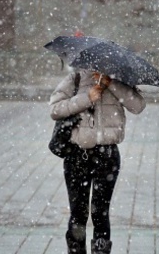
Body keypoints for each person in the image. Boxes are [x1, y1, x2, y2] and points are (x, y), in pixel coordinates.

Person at [49, 69, 146, 254]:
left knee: (100, 212)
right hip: (77, 156)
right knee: (79, 213)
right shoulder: (75, 78)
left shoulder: (118, 79)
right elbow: (55, 109)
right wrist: (87, 97)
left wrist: (111, 84)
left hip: (107, 157)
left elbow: (138, 106)